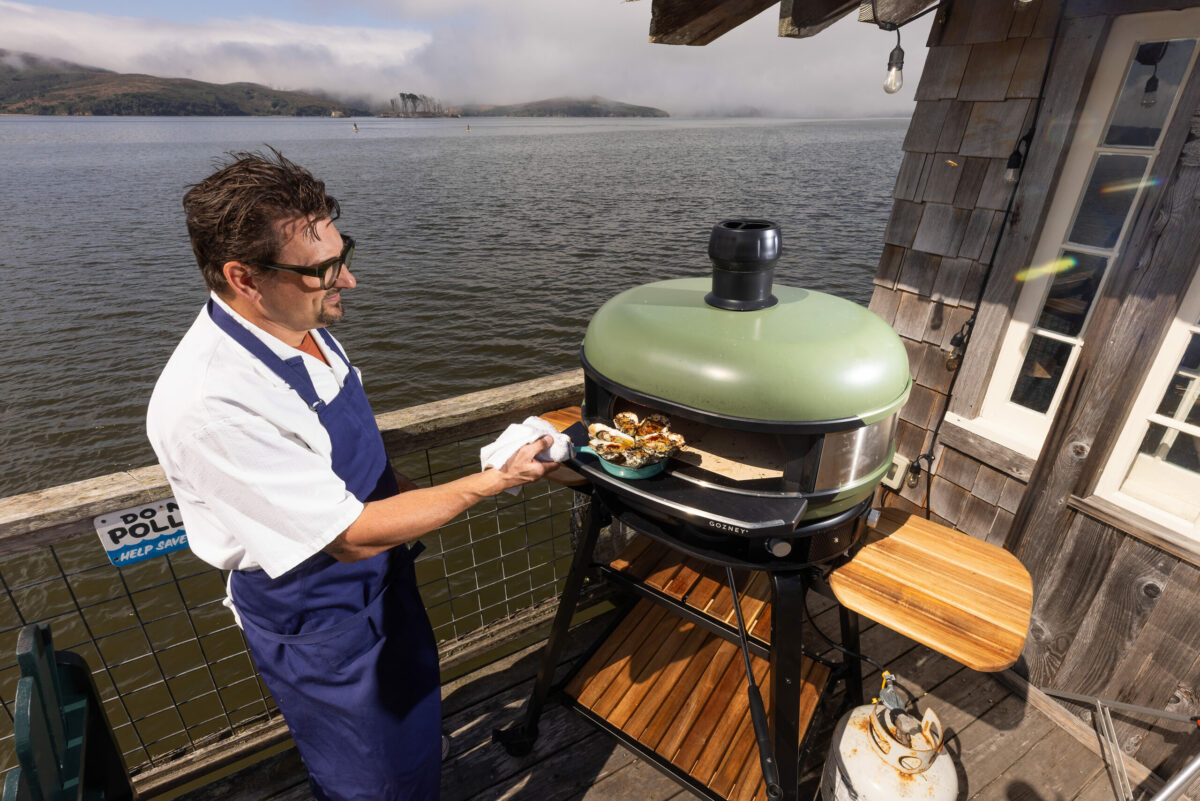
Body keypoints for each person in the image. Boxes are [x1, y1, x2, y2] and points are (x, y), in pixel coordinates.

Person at [146, 149, 557, 801]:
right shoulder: (210, 403)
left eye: (343, 254)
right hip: (320, 621)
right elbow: (349, 534)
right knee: (370, 779)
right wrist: (493, 478)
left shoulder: (300, 322)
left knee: (416, 734)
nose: (350, 281)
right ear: (243, 277)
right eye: (324, 270)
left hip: (385, 579)